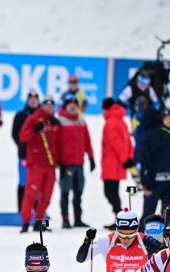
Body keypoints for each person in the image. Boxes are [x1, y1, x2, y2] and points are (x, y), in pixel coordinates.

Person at [18, 96, 60, 233]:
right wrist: (34, 130)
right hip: (36, 164)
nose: (48, 107)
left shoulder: (54, 122)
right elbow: (22, 136)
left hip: (51, 165)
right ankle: (25, 222)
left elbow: (59, 144)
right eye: (46, 104)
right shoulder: (34, 119)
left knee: (47, 195)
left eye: (51, 104)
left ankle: (40, 222)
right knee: (31, 194)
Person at [135, 107, 170, 221]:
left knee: (148, 215)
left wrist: (145, 182)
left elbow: (144, 161)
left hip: (153, 183)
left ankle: (142, 238)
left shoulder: (145, 138)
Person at [56, 95, 95, 228]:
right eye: (70, 104)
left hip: (79, 163)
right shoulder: (60, 121)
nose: (73, 106)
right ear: (65, 106)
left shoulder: (81, 121)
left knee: (78, 192)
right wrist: (57, 162)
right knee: (65, 192)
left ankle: (78, 218)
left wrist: (91, 157)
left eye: (75, 104)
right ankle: (65, 219)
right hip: (66, 164)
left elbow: (87, 140)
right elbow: (55, 143)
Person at [100, 99, 135, 225]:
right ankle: (118, 217)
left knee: (109, 192)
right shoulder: (121, 121)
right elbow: (128, 142)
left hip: (112, 164)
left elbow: (117, 143)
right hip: (118, 164)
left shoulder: (110, 122)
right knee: (113, 192)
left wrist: (125, 159)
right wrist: (129, 157)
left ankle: (119, 218)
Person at [11, 92, 41, 208]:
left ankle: (38, 214)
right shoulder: (20, 115)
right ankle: (21, 209)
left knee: (39, 184)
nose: (33, 101)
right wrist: (22, 146)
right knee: (24, 182)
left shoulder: (42, 116)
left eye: (35, 99)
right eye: (31, 99)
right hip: (24, 155)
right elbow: (14, 134)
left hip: (39, 157)